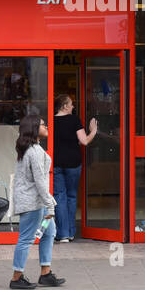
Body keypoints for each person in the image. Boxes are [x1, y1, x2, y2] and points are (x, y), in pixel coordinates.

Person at [9, 116, 63, 289]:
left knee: (49, 232)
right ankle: (16, 278)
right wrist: (50, 204)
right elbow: (40, 181)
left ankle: (45, 273)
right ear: (33, 128)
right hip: (33, 203)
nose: (46, 126)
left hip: (35, 201)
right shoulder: (34, 151)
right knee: (25, 239)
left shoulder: (32, 149)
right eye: (42, 124)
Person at [51, 93, 97, 243]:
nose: (73, 106)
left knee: (59, 197)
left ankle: (62, 234)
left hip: (56, 163)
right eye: (71, 104)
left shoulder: (51, 121)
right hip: (73, 163)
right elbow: (84, 141)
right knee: (71, 196)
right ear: (65, 106)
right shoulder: (74, 120)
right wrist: (93, 131)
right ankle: (70, 232)